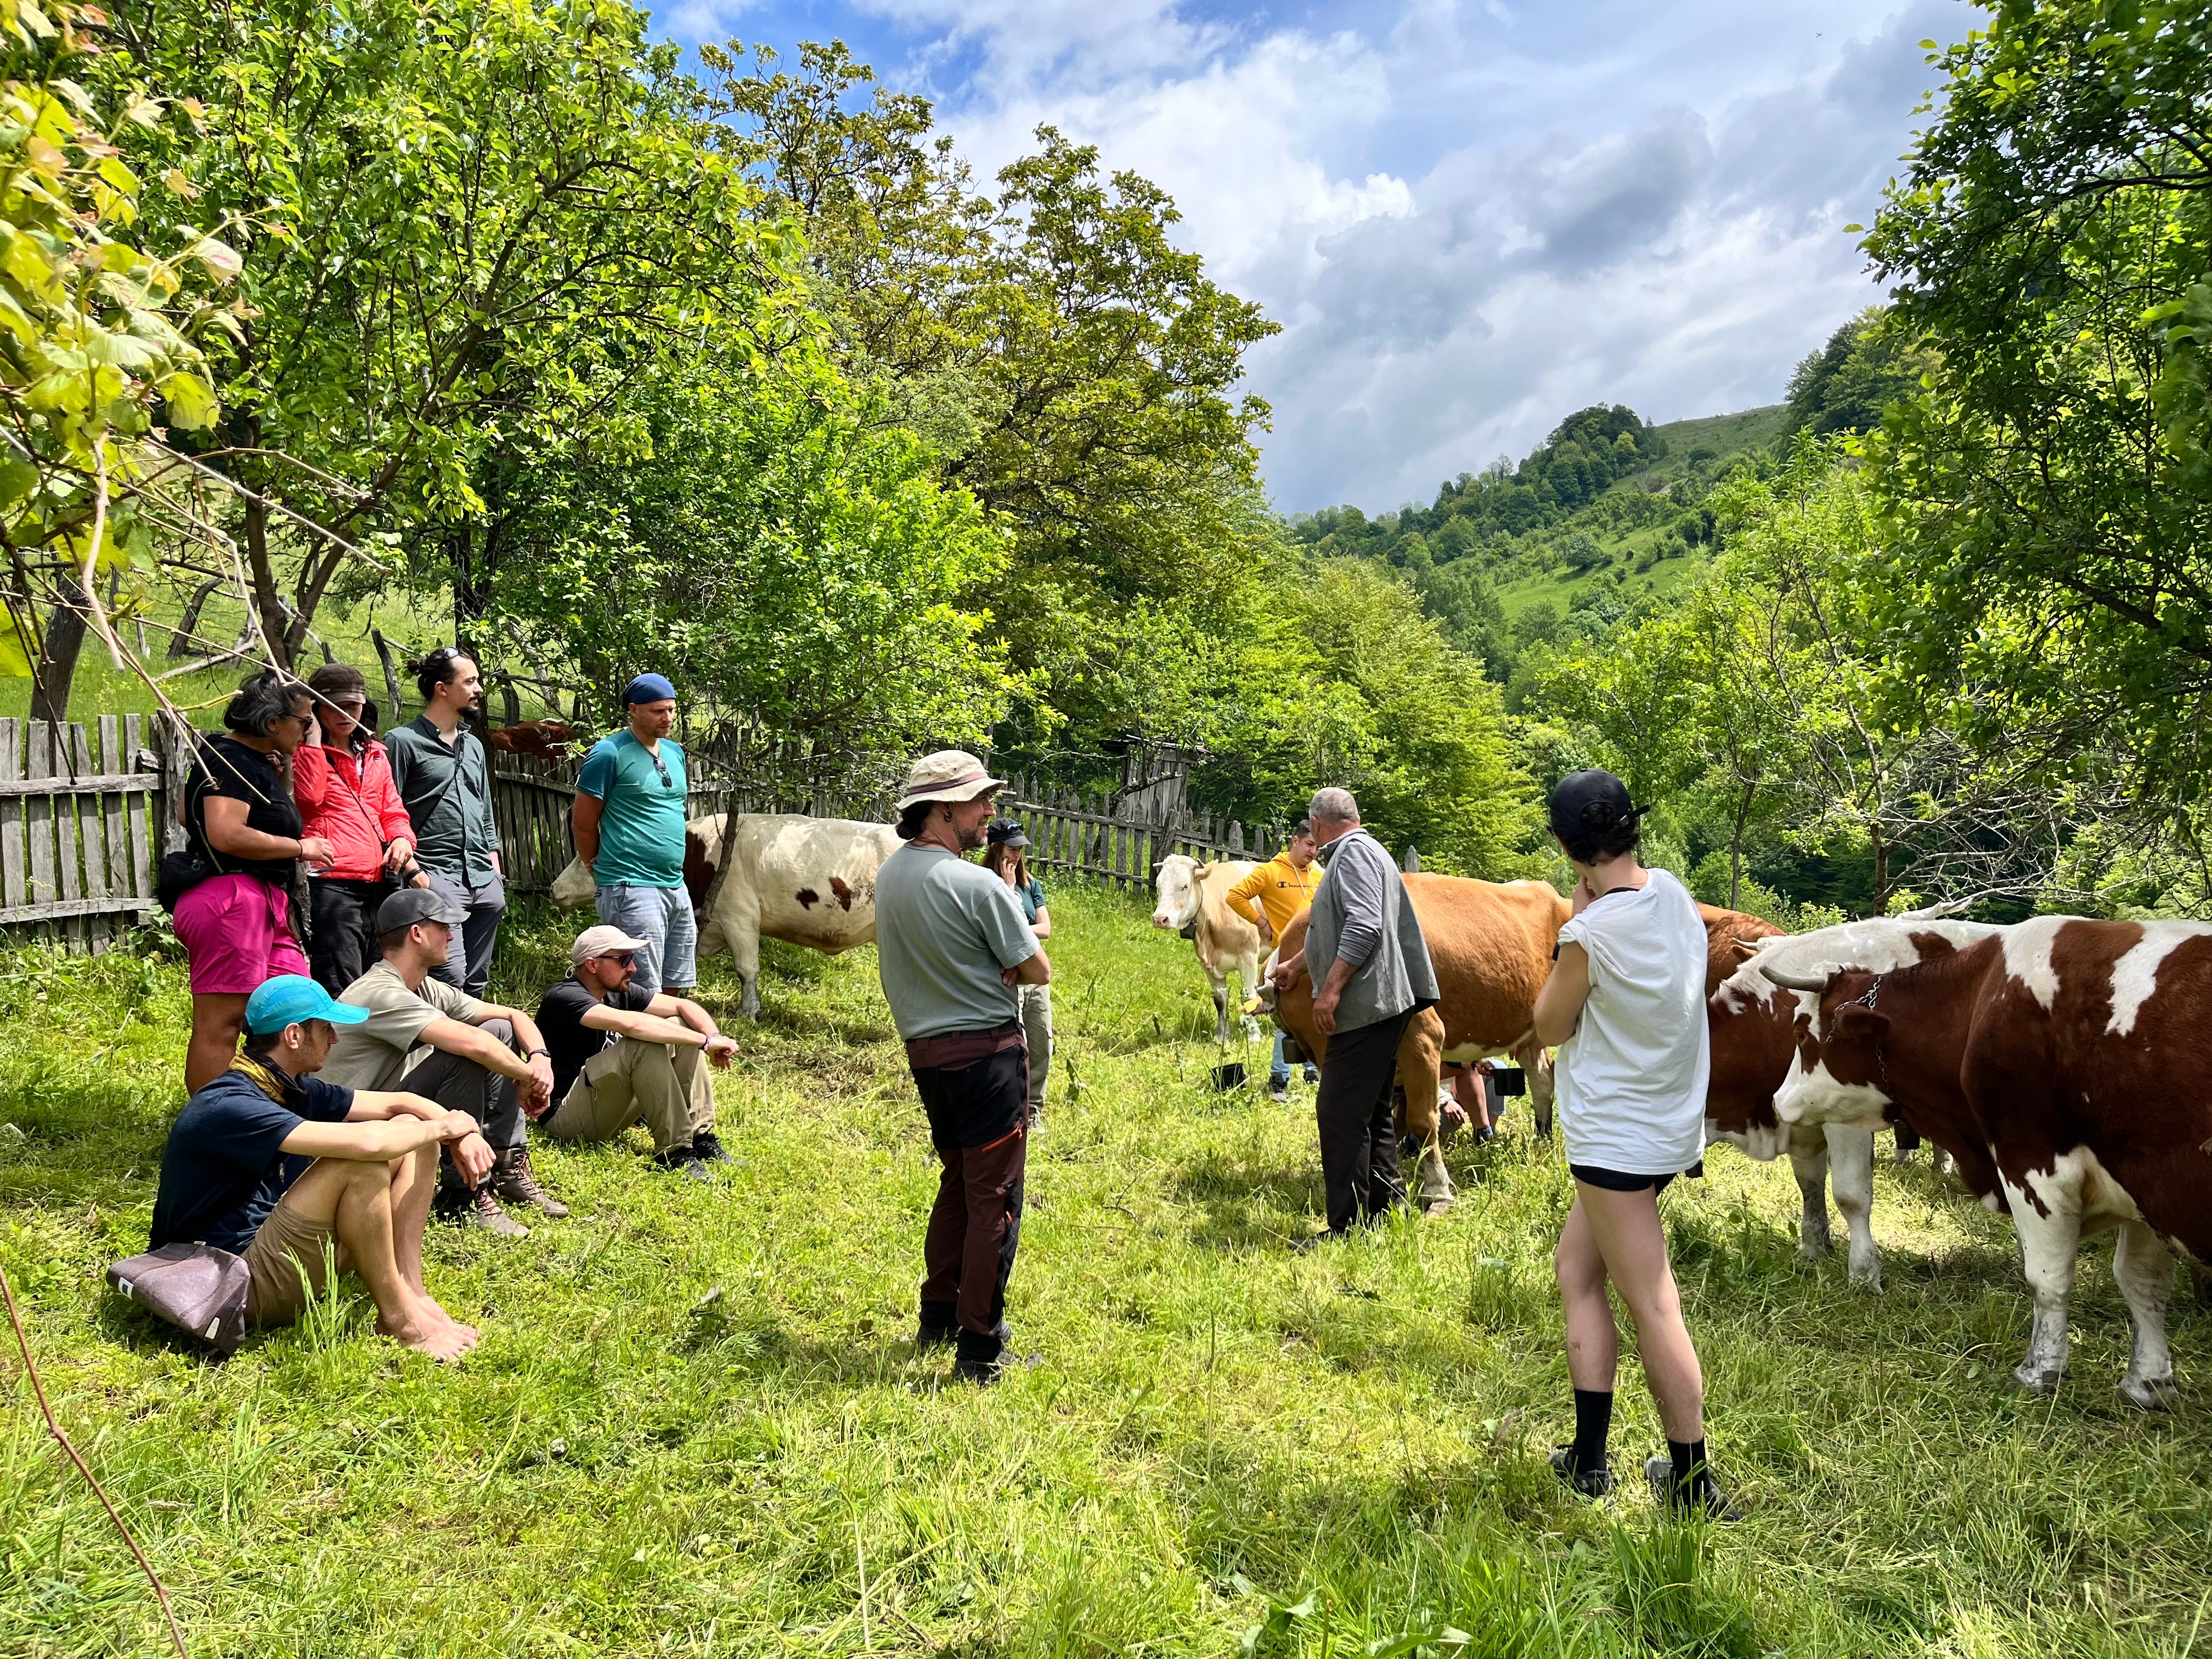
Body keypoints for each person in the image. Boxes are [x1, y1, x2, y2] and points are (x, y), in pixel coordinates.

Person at [1533, 768, 1733, 1518]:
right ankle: (1587, 1459)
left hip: (1614, 1143)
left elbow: (1549, 1026)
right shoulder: (1676, 895)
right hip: (1666, 1130)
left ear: (1566, 846)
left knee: (1652, 1300)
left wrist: (1572, 927)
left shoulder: (1587, 935)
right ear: (1631, 828)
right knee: (1576, 1270)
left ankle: (1692, 1485)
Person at [148, 975, 492, 1362]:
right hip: (229, 1281)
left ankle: (411, 1290)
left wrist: (460, 1135)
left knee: (413, 1133)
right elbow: (367, 1144)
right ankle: (400, 1320)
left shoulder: (289, 1087)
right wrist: (448, 1127)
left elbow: (402, 1103)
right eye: (326, 1028)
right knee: (360, 1163)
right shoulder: (231, 1104)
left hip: (266, 1252)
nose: (335, 1039)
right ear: (294, 1036)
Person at [874, 751, 1049, 1383]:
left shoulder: (891, 877)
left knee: (958, 1182)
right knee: (995, 1199)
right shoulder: (978, 885)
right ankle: (979, 1349)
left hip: (928, 1060)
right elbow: (1038, 969)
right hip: (989, 1058)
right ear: (944, 811)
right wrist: (1004, 960)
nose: (990, 813)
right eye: (981, 802)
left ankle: (939, 1313)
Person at [318, 888, 562, 1237]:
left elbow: (512, 1015)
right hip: (356, 1119)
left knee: (498, 1030)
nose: (451, 935)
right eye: (444, 926)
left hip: (396, 1103)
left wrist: (540, 1060)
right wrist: (528, 1078)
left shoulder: (425, 986)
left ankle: (506, 1164)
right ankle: (463, 1192)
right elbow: (474, 1045)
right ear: (417, 933)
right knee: (464, 1054)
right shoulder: (381, 991)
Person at [1267, 787, 1439, 1246]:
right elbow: (1336, 926)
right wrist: (1296, 966)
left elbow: (1364, 926)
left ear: (1318, 825)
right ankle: (1388, 1210)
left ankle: (1347, 1227)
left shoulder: (1352, 856)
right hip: (1382, 1004)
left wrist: (1332, 991)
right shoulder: (1368, 851)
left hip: (1365, 1007)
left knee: (1340, 1113)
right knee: (1373, 1110)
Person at [172, 671, 335, 1093]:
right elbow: (224, 832)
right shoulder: (229, 760)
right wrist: (300, 848)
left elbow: (185, 815)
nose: (310, 729)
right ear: (272, 722)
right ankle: (213, 1125)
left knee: (295, 1010)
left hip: (263, 900)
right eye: (304, 721)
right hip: (232, 899)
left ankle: (272, 1110)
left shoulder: (243, 762)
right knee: (222, 1024)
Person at [532, 924, 737, 1178]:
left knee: (679, 1025)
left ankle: (700, 1137)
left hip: (605, 1106)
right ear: (593, 965)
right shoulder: (564, 996)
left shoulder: (617, 992)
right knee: (641, 1042)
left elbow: (683, 1006)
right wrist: (703, 1043)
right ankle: (674, 1153)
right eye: (624, 960)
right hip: (564, 1117)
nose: (633, 968)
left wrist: (713, 1037)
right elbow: (633, 1025)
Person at [292, 663, 428, 996]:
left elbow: (392, 810)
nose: (345, 714)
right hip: (332, 880)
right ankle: (336, 1046)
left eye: (353, 705)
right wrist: (311, 740)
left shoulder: (374, 753)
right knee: (341, 982)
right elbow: (309, 799)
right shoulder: (302, 750)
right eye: (334, 706)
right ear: (314, 708)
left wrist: (400, 840)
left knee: (378, 979)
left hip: (380, 881)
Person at [383, 647, 505, 996]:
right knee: (448, 977)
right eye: (470, 681)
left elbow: (484, 810)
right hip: (435, 876)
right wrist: (415, 875)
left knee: (477, 983)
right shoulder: (403, 742)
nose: (479, 688)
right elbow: (385, 810)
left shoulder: (475, 747)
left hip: (483, 879)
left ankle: (469, 1050)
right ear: (442, 689)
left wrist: (494, 867)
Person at [571, 674, 693, 999]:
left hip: (675, 883)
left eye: (671, 710)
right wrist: (591, 862)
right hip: (631, 885)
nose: (667, 718)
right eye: (658, 711)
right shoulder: (609, 753)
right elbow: (583, 821)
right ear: (634, 710)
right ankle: (637, 1049)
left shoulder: (674, 753)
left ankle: (669, 1046)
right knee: (641, 987)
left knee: (676, 979)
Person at [1225, 817, 1324, 1102]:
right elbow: (1236, 895)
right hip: (1286, 955)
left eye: (1317, 847)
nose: (1313, 852)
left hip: (1317, 955)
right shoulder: (1270, 871)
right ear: (1295, 841)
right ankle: (1279, 1079)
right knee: (1288, 1017)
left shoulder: (1319, 875)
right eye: (1309, 845)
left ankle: (1310, 1071)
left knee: (1312, 1013)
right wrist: (1260, 922)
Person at [983, 819, 1052, 1126]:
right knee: (1013, 1045)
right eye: (1012, 849)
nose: (1017, 856)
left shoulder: (1030, 884)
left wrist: (1017, 933)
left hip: (1032, 971)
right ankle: (1011, 1109)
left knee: (1042, 1041)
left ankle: (1033, 1110)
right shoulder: (982, 881)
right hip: (1003, 977)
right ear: (996, 849)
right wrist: (1008, 891)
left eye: (1021, 849)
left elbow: (1046, 929)